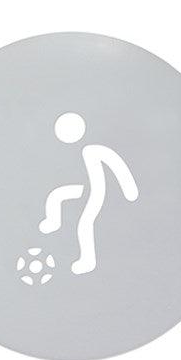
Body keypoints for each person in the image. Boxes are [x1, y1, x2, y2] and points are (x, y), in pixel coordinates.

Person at [39, 113, 139, 275]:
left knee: (84, 223)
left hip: (94, 193)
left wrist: (129, 190)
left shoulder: (93, 150)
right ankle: (53, 222)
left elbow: (114, 164)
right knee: (56, 196)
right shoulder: (72, 150)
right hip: (79, 188)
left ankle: (87, 260)